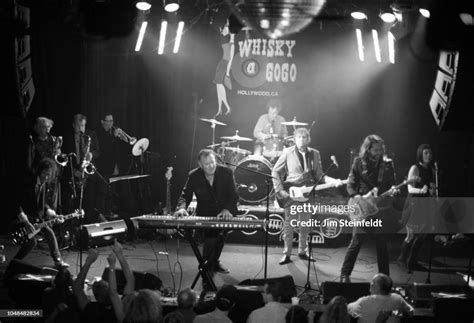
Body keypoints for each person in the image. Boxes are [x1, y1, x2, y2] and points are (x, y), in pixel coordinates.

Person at [272, 128, 343, 265]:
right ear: (294, 139)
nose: (302, 140)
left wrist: (334, 181)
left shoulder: (315, 154)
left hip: (308, 192)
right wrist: (279, 190)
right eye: (299, 137)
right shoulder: (287, 152)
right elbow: (275, 171)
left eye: (304, 137)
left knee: (305, 224)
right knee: (289, 224)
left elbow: (320, 176)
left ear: (308, 139)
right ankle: (287, 254)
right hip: (291, 193)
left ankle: (302, 251)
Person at [340, 135, 397, 283]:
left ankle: (385, 279)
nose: (378, 152)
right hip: (362, 207)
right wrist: (357, 197)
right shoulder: (358, 162)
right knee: (356, 242)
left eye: (380, 150)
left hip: (379, 209)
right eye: (375, 150)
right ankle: (344, 274)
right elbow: (351, 184)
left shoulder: (388, 164)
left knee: (382, 244)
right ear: (368, 149)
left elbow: (392, 184)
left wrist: (393, 191)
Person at [174, 149, 239, 279]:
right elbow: (184, 195)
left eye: (213, 162)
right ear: (200, 164)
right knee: (211, 239)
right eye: (207, 164)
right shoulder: (194, 175)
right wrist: (181, 208)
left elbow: (234, 194)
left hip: (225, 212)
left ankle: (214, 262)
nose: (211, 166)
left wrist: (227, 209)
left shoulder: (226, 172)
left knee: (220, 238)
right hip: (206, 213)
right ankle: (206, 270)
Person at [13, 157, 69, 268]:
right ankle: (15, 262)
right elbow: (17, 203)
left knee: (50, 233)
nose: (46, 177)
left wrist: (54, 215)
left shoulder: (45, 185)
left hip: (37, 220)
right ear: (39, 171)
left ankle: (58, 261)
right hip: (25, 220)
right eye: (44, 173)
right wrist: (26, 222)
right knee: (31, 242)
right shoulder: (29, 183)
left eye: (49, 174)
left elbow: (43, 205)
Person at [397, 144, 436, 272]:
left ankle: (412, 261)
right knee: (411, 235)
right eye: (426, 153)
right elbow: (409, 188)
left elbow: (430, 187)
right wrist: (422, 190)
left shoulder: (431, 169)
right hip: (414, 204)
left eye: (430, 153)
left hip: (425, 205)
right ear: (420, 154)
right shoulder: (415, 168)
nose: (428, 155)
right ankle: (402, 260)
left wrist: (432, 191)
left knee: (422, 235)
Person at [61, 114, 100, 223]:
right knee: (74, 201)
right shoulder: (67, 136)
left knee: (89, 201)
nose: (81, 128)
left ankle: (88, 225)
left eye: (83, 125)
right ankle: (75, 224)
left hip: (88, 173)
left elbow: (98, 151)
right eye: (78, 125)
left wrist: (91, 154)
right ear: (73, 125)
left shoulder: (91, 134)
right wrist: (73, 171)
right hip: (74, 173)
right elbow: (64, 156)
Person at [347, 273, 413, 323]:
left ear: (381, 289)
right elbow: (411, 312)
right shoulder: (398, 298)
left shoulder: (364, 301)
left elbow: (348, 309)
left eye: (373, 282)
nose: (371, 284)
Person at [95, 113, 124, 219]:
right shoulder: (99, 133)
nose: (111, 123)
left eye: (112, 121)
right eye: (109, 121)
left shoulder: (112, 133)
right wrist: (114, 137)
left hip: (112, 165)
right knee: (102, 191)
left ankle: (109, 211)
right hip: (102, 166)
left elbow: (115, 150)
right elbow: (104, 148)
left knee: (110, 191)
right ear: (102, 122)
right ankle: (101, 214)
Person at [213, 19, 235, 116]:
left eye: (226, 29)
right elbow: (225, 30)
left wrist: (227, 72)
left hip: (224, 64)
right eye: (223, 30)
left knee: (219, 85)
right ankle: (220, 108)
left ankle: (227, 107)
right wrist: (226, 24)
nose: (224, 31)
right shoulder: (224, 37)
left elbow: (230, 60)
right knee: (218, 86)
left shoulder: (232, 44)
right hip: (221, 63)